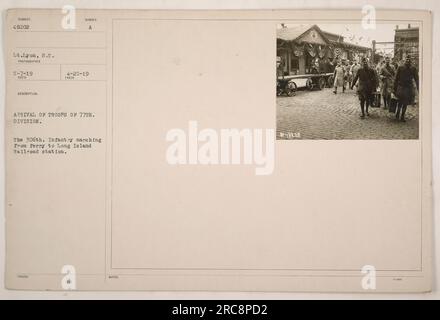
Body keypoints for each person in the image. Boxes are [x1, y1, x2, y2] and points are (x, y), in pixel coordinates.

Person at [393, 55, 419, 122]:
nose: (408, 60)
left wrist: (418, 88)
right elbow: (396, 78)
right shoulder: (400, 67)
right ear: (404, 60)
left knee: (405, 103)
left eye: (409, 59)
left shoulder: (413, 68)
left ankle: (402, 116)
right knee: (399, 102)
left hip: (408, 88)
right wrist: (394, 88)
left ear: (411, 60)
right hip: (400, 87)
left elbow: (417, 79)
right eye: (407, 59)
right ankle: (397, 115)